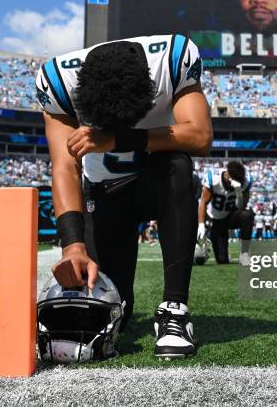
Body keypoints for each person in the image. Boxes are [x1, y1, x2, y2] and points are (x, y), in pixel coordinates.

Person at [37, 35, 212, 359]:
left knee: (177, 165)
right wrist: (72, 246)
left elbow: (200, 137)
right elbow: (65, 167)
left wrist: (117, 139)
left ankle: (174, 309)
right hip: (104, 193)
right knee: (110, 310)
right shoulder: (57, 79)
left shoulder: (172, 59)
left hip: (157, 182)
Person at [198, 161, 254, 265]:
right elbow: (203, 202)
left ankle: (244, 253)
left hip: (232, 216)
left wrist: (238, 191)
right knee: (222, 260)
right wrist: (201, 226)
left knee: (247, 215)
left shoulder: (246, 181)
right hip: (216, 220)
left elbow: (241, 207)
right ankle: (223, 255)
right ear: (228, 175)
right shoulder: (213, 178)